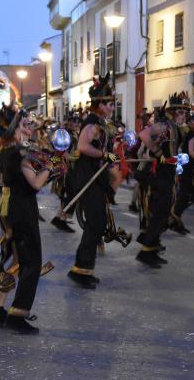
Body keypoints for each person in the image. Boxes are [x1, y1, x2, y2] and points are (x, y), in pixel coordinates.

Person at [0, 111, 61, 334]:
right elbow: (36, 183)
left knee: (17, 260)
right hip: (21, 209)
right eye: (26, 125)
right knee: (31, 263)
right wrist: (52, 164)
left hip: (11, 206)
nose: (31, 129)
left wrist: (51, 165)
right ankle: (18, 314)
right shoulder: (18, 153)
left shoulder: (7, 150)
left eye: (31, 125)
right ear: (15, 127)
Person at [67, 73, 117, 289]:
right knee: (95, 223)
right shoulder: (92, 123)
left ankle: (84, 268)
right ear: (100, 105)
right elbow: (82, 147)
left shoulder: (101, 123)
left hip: (97, 177)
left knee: (97, 223)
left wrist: (110, 158)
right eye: (110, 103)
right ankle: (80, 269)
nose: (113, 107)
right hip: (88, 178)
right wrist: (103, 155)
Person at [135, 92, 187, 268]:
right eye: (181, 111)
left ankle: (152, 247)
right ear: (173, 112)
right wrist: (159, 155)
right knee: (160, 213)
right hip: (160, 175)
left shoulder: (173, 126)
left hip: (167, 174)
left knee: (163, 212)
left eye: (185, 112)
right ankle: (146, 250)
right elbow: (143, 135)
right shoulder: (166, 125)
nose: (184, 115)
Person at [170, 113, 194, 234]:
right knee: (186, 194)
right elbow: (191, 152)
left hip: (187, 167)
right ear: (189, 122)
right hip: (187, 168)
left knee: (187, 194)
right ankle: (174, 217)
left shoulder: (192, 134)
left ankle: (175, 218)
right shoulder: (191, 134)